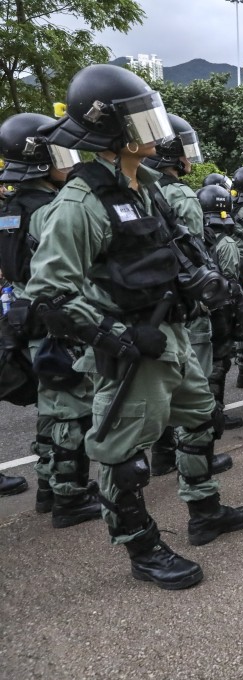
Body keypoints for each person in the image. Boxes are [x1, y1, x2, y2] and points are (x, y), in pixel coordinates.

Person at [27, 64, 243, 588]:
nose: (154, 132)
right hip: (133, 348)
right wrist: (118, 337)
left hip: (171, 335)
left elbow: (170, 249)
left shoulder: (144, 186)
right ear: (111, 131)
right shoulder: (80, 204)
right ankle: (142, 547)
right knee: (122, 452)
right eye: (140, 121)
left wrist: (202, 282)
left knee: (202, 417)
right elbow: (51, 295)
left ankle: (204, 509)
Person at [0, 111, 103, 526]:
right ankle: (69, 497)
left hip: (25, 314)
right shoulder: (49, 209)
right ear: (39, 159)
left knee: (51, 404)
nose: (69, 161)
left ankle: (49, 485)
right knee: (71, 408)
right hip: (54, 318)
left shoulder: (11, 209)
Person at [144, 115, 239, 476]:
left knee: (159, 382)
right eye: (184, 151)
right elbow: (194, 252)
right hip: (185, 304)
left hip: (149, 303)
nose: (188, 158)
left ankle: (162, 454)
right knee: (192, 384)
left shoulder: (134, 189)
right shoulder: (180, 195)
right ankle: (195, 462)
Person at [196, 184, 243, 426]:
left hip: (197, 310)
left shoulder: (193, 238)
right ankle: (215, 413)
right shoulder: (226, 243)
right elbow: (231, 282)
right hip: (220, 312)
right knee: (219, 362)